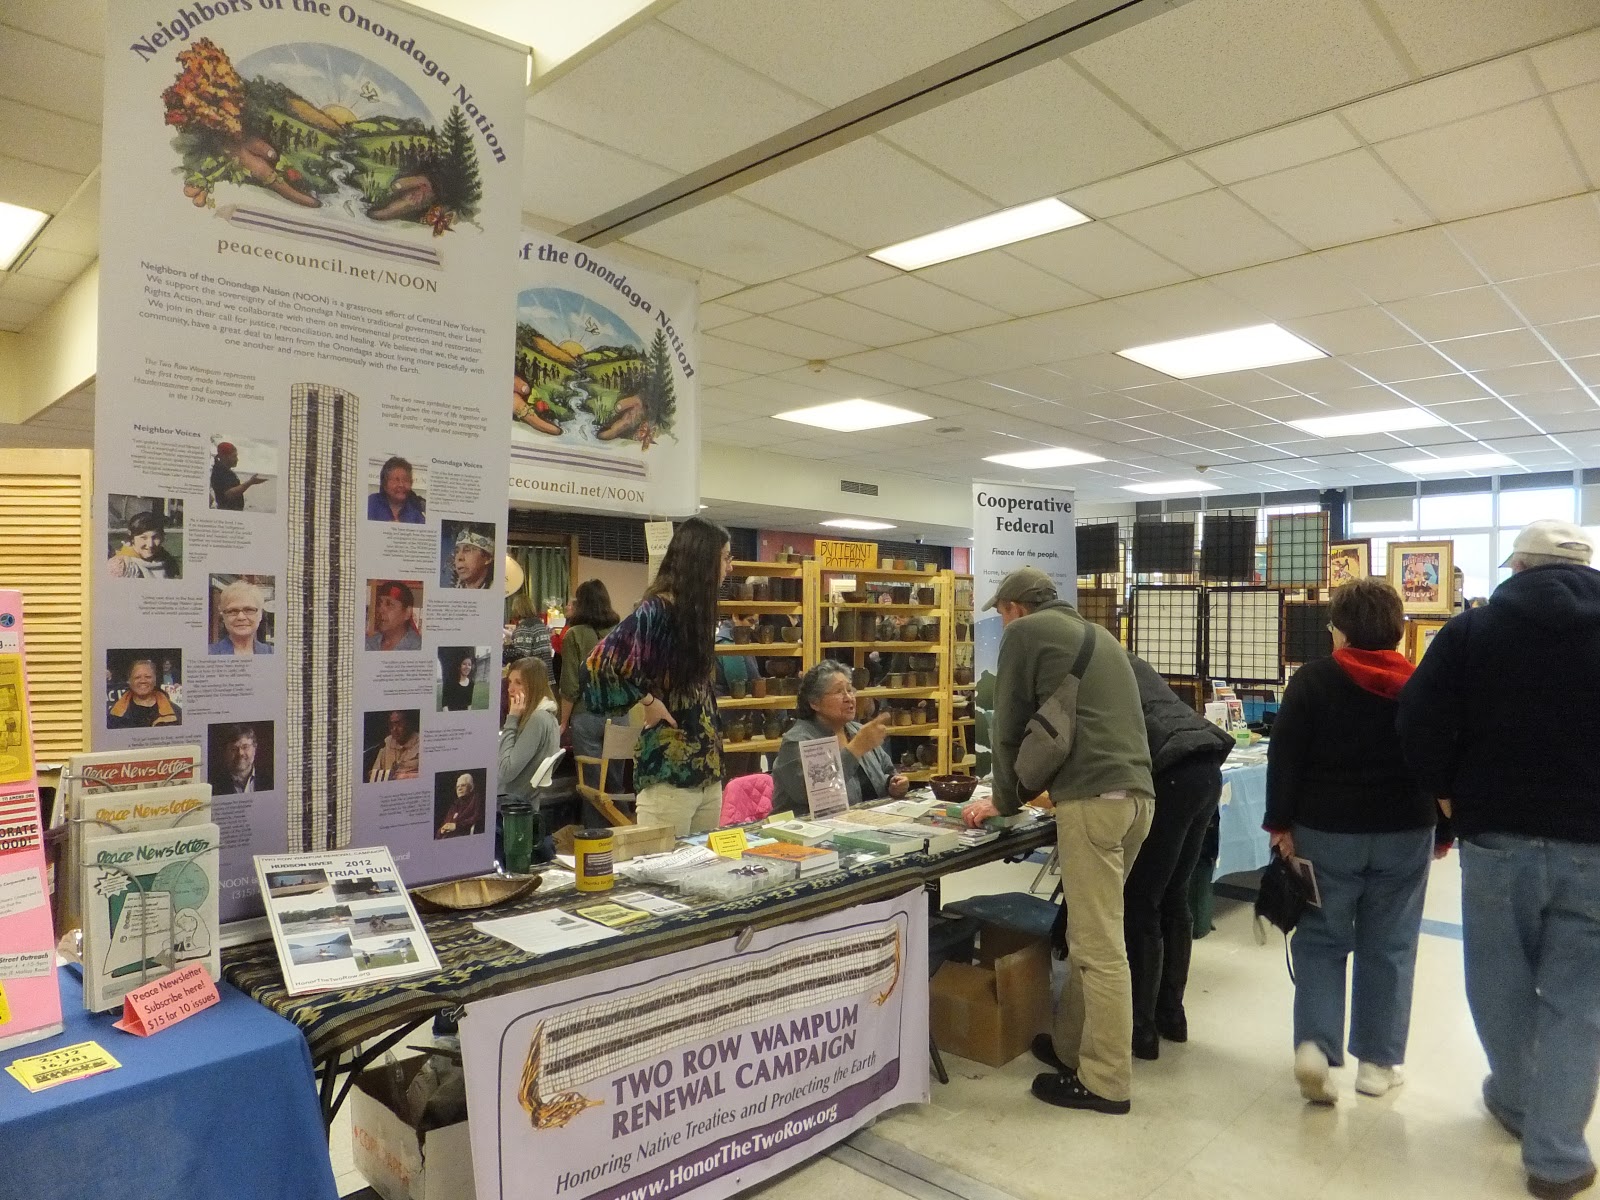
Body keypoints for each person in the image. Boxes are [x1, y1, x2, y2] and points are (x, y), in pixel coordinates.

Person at [1399, 520, 1600, 1200]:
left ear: (1516, 566)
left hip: (1494, 836)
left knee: (1498, 980)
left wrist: (1447, 792)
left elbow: (1417, 717)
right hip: (1594, 845)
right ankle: (1557, 1155)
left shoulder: (1471, 631)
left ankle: (1515, 1102)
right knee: (1582, 1003)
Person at [960, 566, 1153, 1116]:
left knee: (1097, 948)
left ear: (1014, 608)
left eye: (1000, 614)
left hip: (1092, 800)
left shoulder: (1025, 633)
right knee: (1092, 932)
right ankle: (1072, 1049)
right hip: (1138, 799)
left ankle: (1107, 1081)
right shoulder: (1098, 634)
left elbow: (1007, 722)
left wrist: (1002, 800)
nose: (1002, 624)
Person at [1266, 577, 1444, 1106]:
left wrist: (1281, 825)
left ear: (1339, 631)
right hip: (1406, 832)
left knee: (1321, 937)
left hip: (1326, 833)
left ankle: (1316, 1048)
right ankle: (1377, 1065)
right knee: (1390, 946)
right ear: (1398, 629)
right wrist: (1446, 831)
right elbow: (1441, 762)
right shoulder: (1422, 684)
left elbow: (1286, 758)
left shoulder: (1312, 682)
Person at [584, 516, 731, 836]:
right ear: (703, 560)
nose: (729, 568)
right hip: (668, 774)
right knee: (663, 875)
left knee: (702, 873)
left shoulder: (694, 614)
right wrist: (648, 699)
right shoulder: (657, 610)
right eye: (725, 558)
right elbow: (598, 664)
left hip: (707, 773)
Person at [1123, 653, 1234, 1060]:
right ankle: (1172, 1014)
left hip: (1171, 770)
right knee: (1175, 895)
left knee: (1142, 900)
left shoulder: (1091, 667)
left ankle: (1141, 1029)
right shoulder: (1128, 659)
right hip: (1204, 763)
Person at [771, 661, 909, 812]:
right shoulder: (798, 740)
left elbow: (886, 771)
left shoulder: (857, 730)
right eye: (838, 692)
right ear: (814, 702)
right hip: (810, 829)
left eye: (850, 690)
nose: (849, 697)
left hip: (863, 821)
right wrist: (856, 748)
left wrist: (893, 783)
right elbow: (812, 792)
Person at [558, 580, 619, 771]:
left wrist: (564, 721)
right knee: (616, 787)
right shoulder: (622, 631)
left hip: (587, 714)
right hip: (620, 713)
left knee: (591, 786)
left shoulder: (574, 634)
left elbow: (570, 685)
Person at [499, 657, 561, 806]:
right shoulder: (548, 715)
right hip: (521, 797)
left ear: (533, 686)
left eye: (518, 683)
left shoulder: (538, 719)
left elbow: (506, 771)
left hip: (509, 800)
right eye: (510, 682)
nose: (510, 689)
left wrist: (512, 718)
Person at [107, 510, 181, 580]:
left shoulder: (167, 560)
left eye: (155, 537)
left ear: (162, 537)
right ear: (132, 538)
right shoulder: (122, 567)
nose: (150, 544)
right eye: (143, 538)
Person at [108, 658, 181, 728]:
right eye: (137, 677)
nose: (143, 681)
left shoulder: (175, 712)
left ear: (155, 680)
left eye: (148, 677)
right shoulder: (115, 713)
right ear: (129, 681)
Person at [208, 580, 273, 655]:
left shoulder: (273, 653)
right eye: (232, 611)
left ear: (260, 615)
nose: (241, 617)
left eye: (249, 610)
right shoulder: (209, 653)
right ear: (223, 616)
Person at [503, 593, 554, 674]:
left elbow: (521, 657)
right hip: (544, 674)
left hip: (531, 676)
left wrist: (504, 650)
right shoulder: (539, 624)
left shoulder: (524, 627)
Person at [211, 724, 269, 794]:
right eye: (233, 749)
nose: (240, 753)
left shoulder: (269, 780)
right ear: (225, 752)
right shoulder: (213, 784)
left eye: (245, 747)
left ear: (254, 749)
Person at [367, 456, 425, 523]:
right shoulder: (371, 504)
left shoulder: (418, 509)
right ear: (384, 484)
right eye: (396, 480)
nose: (401, 485)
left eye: (405, 480)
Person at [209, 442, 265, 511]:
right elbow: (229, 493)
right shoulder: (219, 472)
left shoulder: (223, 471)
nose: (237, 459)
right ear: (224, 457)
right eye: (234, 456)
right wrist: (250, 482)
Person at [366, 581, 421, 651]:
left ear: (407, 612)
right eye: (379, 604)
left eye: (389, 604)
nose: (380, 610)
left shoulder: (418, 648)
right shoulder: (369, 644)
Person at [368, 711, 420, 781]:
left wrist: (404, 776)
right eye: (391, 725)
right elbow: (374, 774)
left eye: (399, 724)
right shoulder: (386, 743)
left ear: (408, 724)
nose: (394, 729)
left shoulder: (422, 742)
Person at [437, 772, 483, 838]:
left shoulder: (476, 799)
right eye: (457, 787)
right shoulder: (455, 805)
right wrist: (441, 830)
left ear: (471, 787)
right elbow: (445, 823)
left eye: (463, 785)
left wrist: (456, 826)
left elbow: (477, 818)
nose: (459, 788)